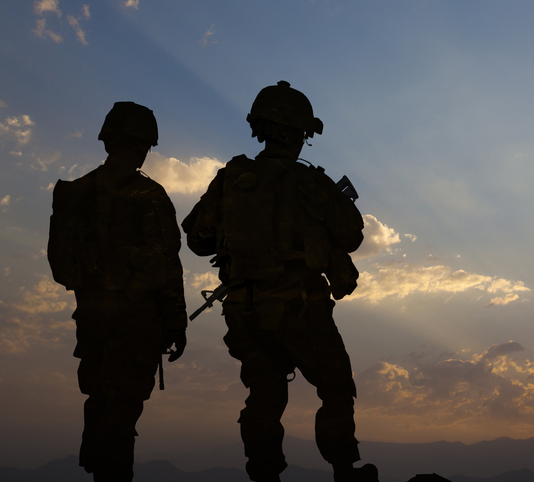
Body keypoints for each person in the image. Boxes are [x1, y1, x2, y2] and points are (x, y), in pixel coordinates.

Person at [182, 81, 375, 482]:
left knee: (264, 396)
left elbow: (197, 239)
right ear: (298, 133)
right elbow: (352, 236)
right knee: (336, 387)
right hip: (300, 308)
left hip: (245, 310)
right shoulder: (313, 184)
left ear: (261, 128)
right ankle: (344, 470)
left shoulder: (231, 179)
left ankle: (265, 475)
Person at [47, 102, 187, 482]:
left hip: (91, 319)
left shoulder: (78, 193)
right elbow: (166, 266)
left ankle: (99, 469)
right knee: (122, 410)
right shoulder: (148, 195)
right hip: (134, 322)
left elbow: (61, 268)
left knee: (101, 401)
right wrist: (176, 322)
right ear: (143, 143)